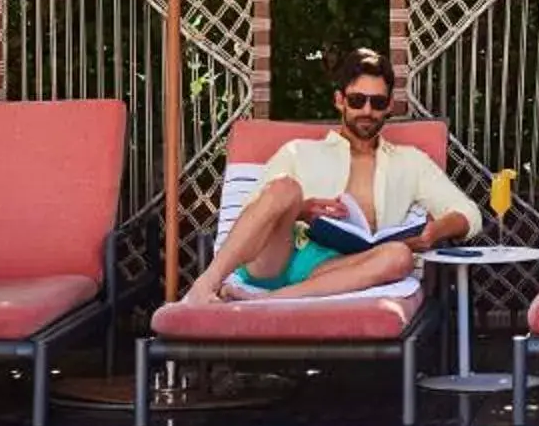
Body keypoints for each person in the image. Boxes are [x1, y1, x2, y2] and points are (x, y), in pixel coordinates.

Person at [181, 48, 479, 304]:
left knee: (399, 257)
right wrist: (300, 210)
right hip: (278, 258)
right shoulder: (299, 151)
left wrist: (435, 232)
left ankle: (270, 302)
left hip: (334, 269)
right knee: (285, 188)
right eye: (357, 100)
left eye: (377, 103)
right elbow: (253, 212)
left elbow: (470, 214)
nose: (367, 110)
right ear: (340, 100)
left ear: (389, 105)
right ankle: (206, 284)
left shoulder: (411, 162)